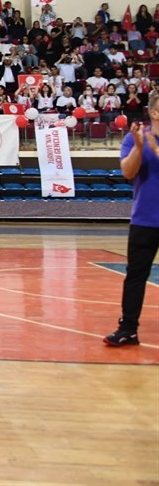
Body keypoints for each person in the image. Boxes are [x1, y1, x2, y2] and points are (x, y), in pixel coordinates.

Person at [105, 93, 159, 346]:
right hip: (145, 219)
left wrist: (154, 148)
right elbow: (128, 171)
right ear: (154, 112)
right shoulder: (133, 138)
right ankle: (128, 329)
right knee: (136, 275)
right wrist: (139, 147)